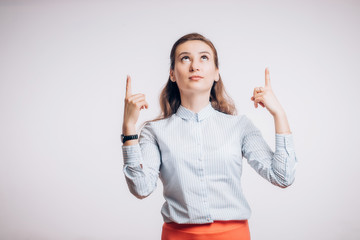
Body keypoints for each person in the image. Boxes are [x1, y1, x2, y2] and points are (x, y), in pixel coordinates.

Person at [121, 33, 297, 240]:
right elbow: (141, 188)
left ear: (216, 73)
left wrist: (279, 114)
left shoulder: (239, 126)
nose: (195, 66)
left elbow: (283, 177)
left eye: (204, 58)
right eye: (185, 58)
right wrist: (129, 126)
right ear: (172, 74)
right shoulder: (155, 131)